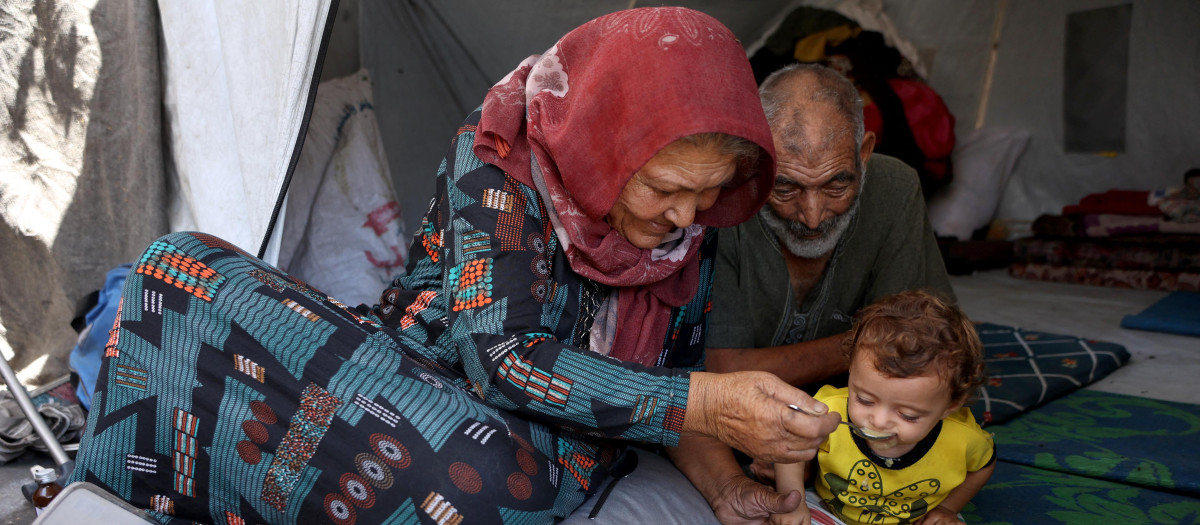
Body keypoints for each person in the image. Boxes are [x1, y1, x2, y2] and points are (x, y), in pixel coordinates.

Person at [68, 8, 839, 524]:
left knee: (480, 471)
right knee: (178, 267)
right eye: (667, 188)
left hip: (529, 448)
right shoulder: (501, 156)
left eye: (705, 197)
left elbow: (673, 382)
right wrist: (705, 401)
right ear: (609, 141)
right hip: (409, 368)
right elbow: (502, 358)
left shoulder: (688, 230)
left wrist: (729, 489)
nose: (684, 219)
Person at [705, 63, 955, 389]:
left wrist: (900, 340)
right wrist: (874, 341)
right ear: (755, 159)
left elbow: (927, 343)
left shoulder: (895, 187)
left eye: (836, 186)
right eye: (786, 188)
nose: (812, 216)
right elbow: (724, 373)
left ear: (863, 154)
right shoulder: (724, 199)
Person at [771, 290, 994, 525]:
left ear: (950, 405)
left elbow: (983, 466)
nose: (878, 421)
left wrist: (948, 508)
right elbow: (792, 447)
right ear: (851, 372)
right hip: (829, 512)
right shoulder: (828, 412)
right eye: (864, 400)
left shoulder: (963, 438)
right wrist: (791, 503)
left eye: (908, 415)